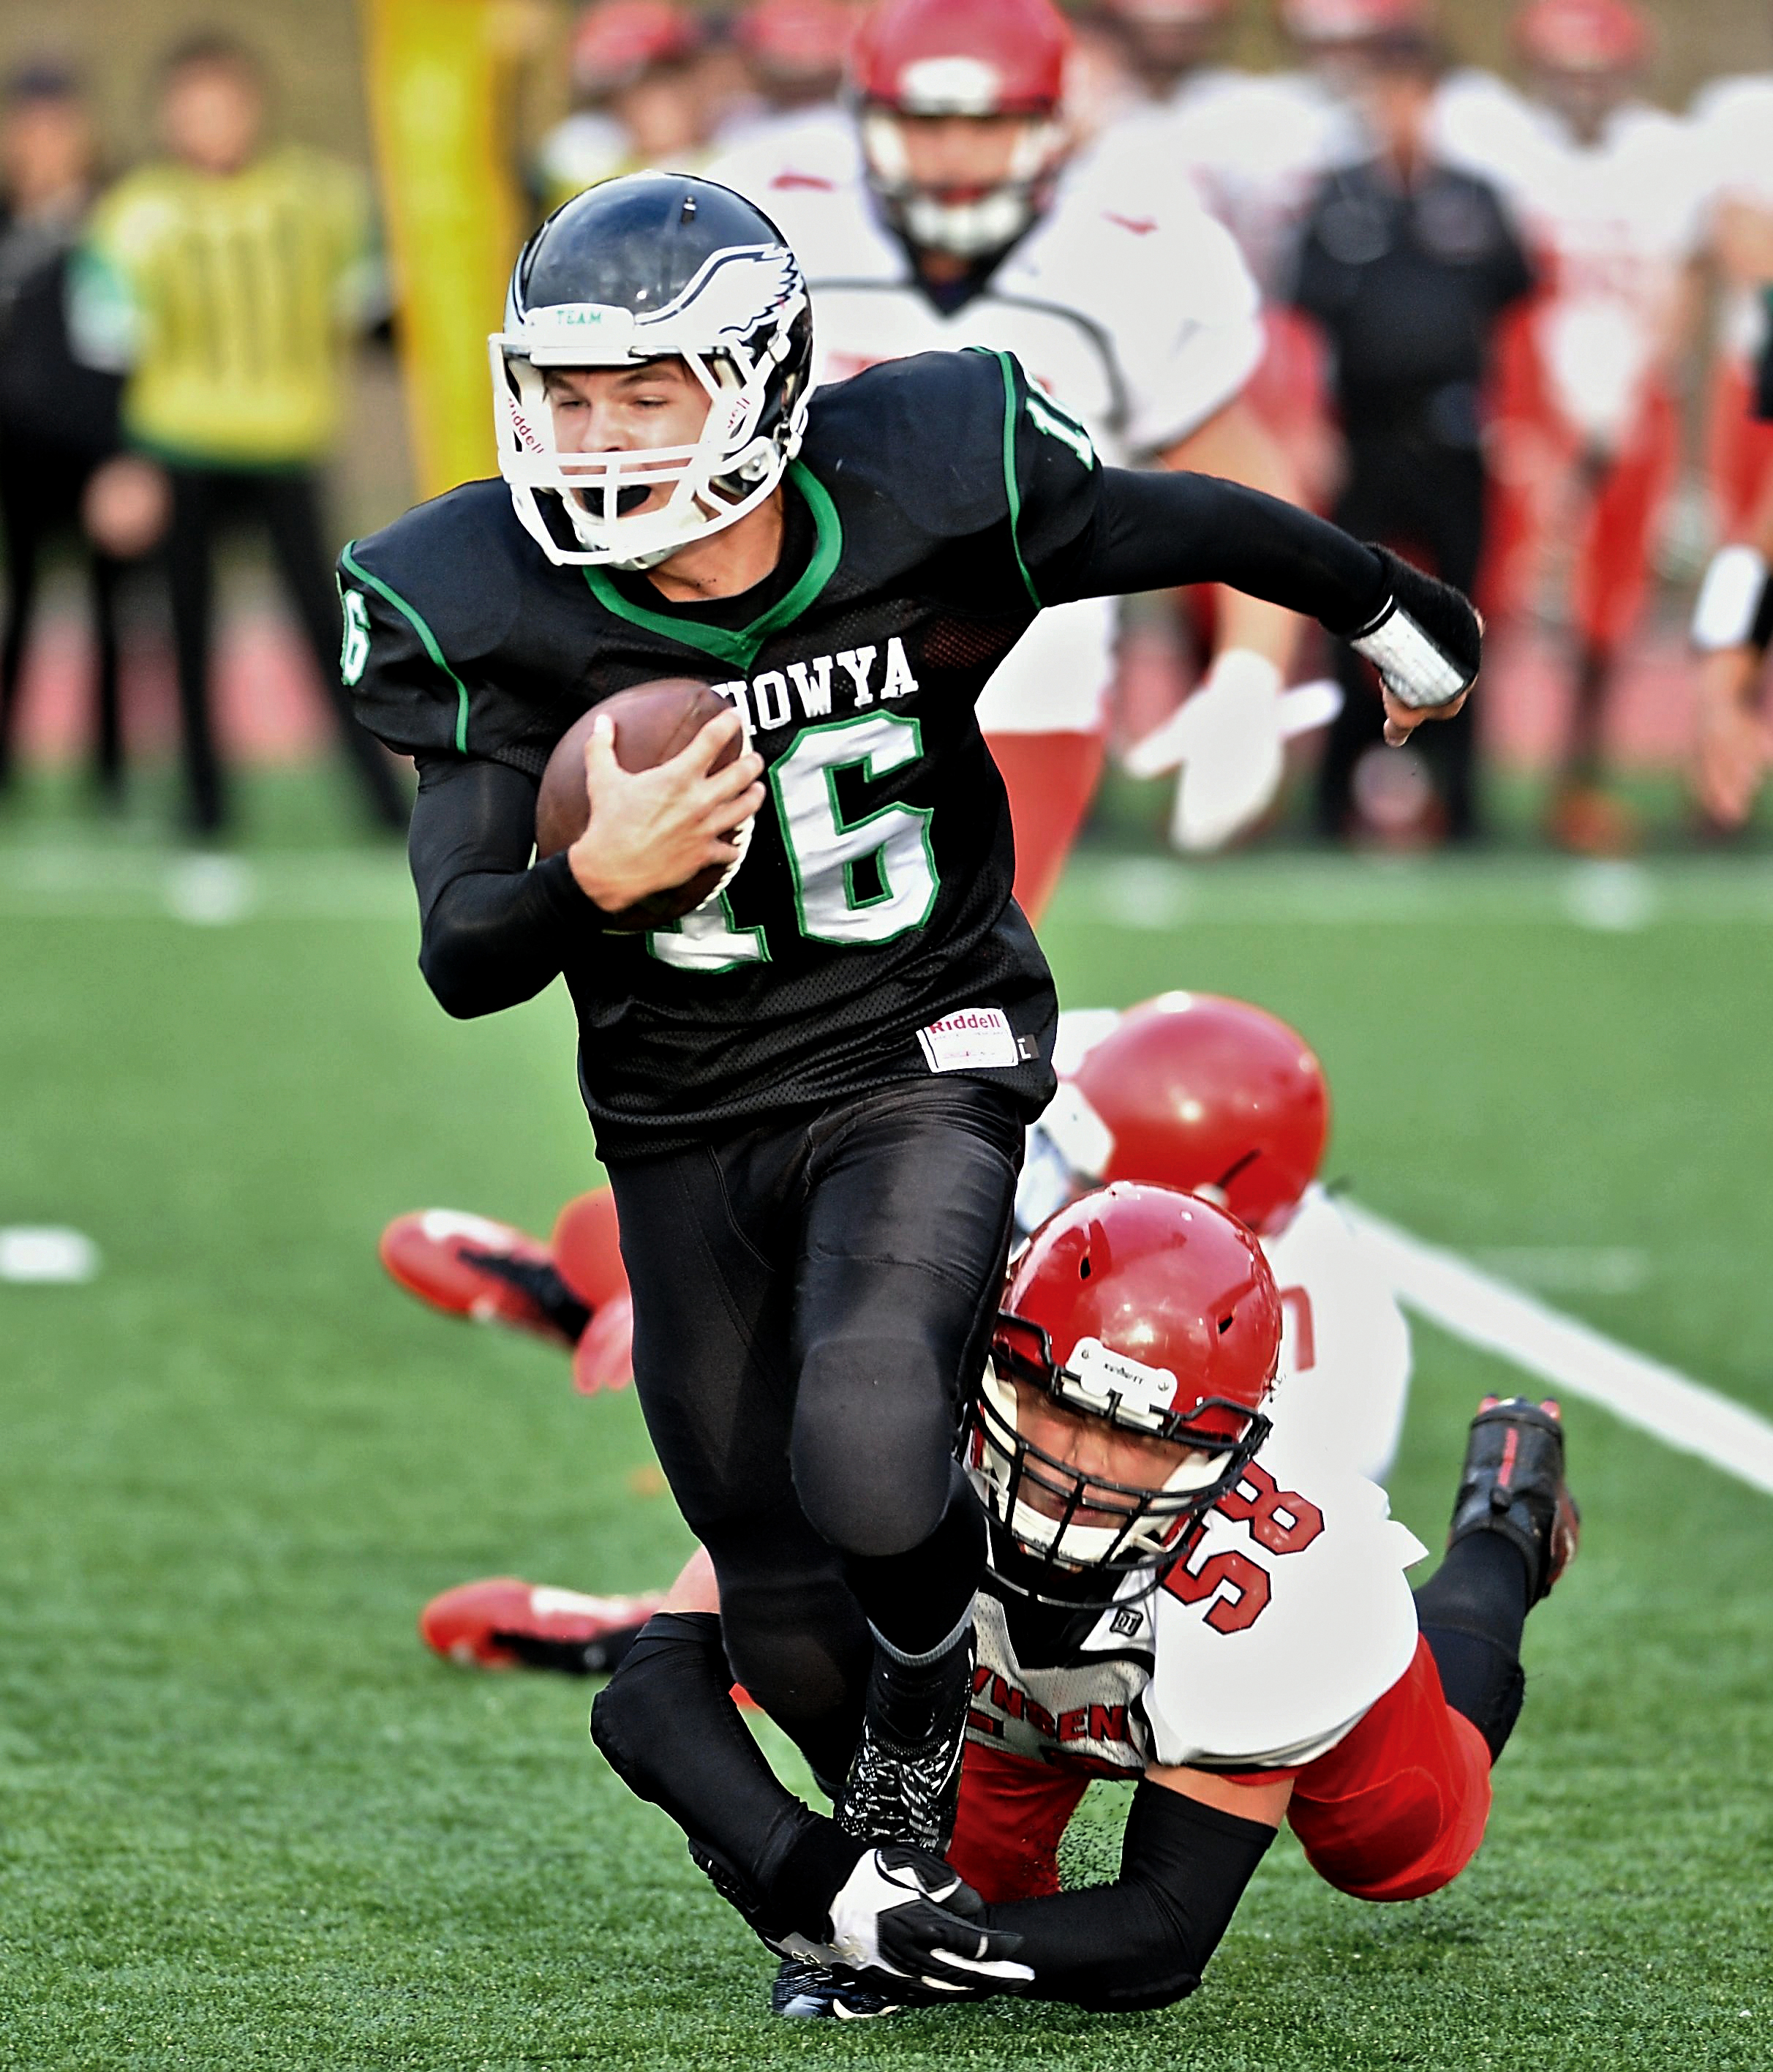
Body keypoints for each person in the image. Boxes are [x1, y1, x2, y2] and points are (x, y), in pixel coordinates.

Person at [340, 164, 1478, 1917]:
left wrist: (1384, 602)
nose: (595, 437)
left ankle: (921, 1756)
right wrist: (588, 883)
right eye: (567, 396)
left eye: (644, 394)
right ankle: (893, 1863)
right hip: (680, 1107)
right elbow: (463, 954)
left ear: (760, 384)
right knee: (769, 1566)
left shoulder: (926, 480)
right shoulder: (480, 594)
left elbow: (1177, 520)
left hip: (919, 1037)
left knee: (871, 1443)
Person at [587, 1184, 1580, 2016]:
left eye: (1143, 1436)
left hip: (1181, 1678)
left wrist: (920, 1945)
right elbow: (653, 1691)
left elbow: (1164, 1932)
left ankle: (1507, 1527)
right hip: (996, 1702)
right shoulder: (895, 1437)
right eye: (1060, 1402)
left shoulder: (1276, 1602)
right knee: (960, 1879)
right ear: (993, 1360)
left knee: (1400, 1852)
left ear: (1228, 1450)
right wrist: (821, 1876)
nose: (1083, 1468)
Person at [707, 0, 1326, 896]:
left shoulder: (1129, 254)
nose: (954, 156)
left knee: (973, 961)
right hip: (783, 670)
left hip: (1024, 683)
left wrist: (1247, 679)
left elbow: (1246, 482)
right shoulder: (769, 226)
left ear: (1051, 125)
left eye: (987, 124)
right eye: (927, 123)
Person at [386, 990, 1412, 1487]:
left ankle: (663, 1619)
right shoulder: (1090, 1065)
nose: (1067, 1181)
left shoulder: (1333, 1357)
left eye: (1096, 1179)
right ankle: (638, 1310)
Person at [68, 34, 404, 837]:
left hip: (287, 444)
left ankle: (383, 804)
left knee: (330, 628)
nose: (211, 124)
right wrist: (119, 464)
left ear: (254, 107)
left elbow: (378, 314)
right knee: (186, 630)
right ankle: (204, 810)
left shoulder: (321, 199)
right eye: (194, 109)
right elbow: (104, 353)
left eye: (224, 106)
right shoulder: (136, 213)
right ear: (168, 117)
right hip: (178, 444)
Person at [1451, 0, 1704, 855]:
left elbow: (1679, 290)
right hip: (1531, 400)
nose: (1584, 88)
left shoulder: (1662, 155)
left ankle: (1578, 782)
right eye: (1568, 70)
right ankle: (1465, 781)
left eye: (1600, 71)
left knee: (1611, 614)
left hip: (1630, 403)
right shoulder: (1500, 140)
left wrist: (1647, 398)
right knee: (1496, 598)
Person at [1289, 29, 1535, 844]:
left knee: (1464, 614)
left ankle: (1461, 802)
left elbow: (1517, 315)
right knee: (1349, 608)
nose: (1398, 110)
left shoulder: (1476, 200)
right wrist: (1306, 422)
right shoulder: (1336, 200)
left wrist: (1521, 421)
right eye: (1385, 94)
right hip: (1363, 437)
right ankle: (1335, 801)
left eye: (1412, 93)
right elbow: (1301, 324)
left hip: (1455, 434)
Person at [0, 63, 129, 798]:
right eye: (31, 128)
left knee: (113, 611)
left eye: (59, 128)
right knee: (17, 603)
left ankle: (109, 771)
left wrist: (129, 453)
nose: (44, 144)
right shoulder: (8, 223)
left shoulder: (116, 218)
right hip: (16, 450)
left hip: (96, 447)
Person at [535, 1, 715, 209]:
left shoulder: (735, 156)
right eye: (635, 90)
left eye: (665, 79)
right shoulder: (585, 160)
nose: (657, 104)